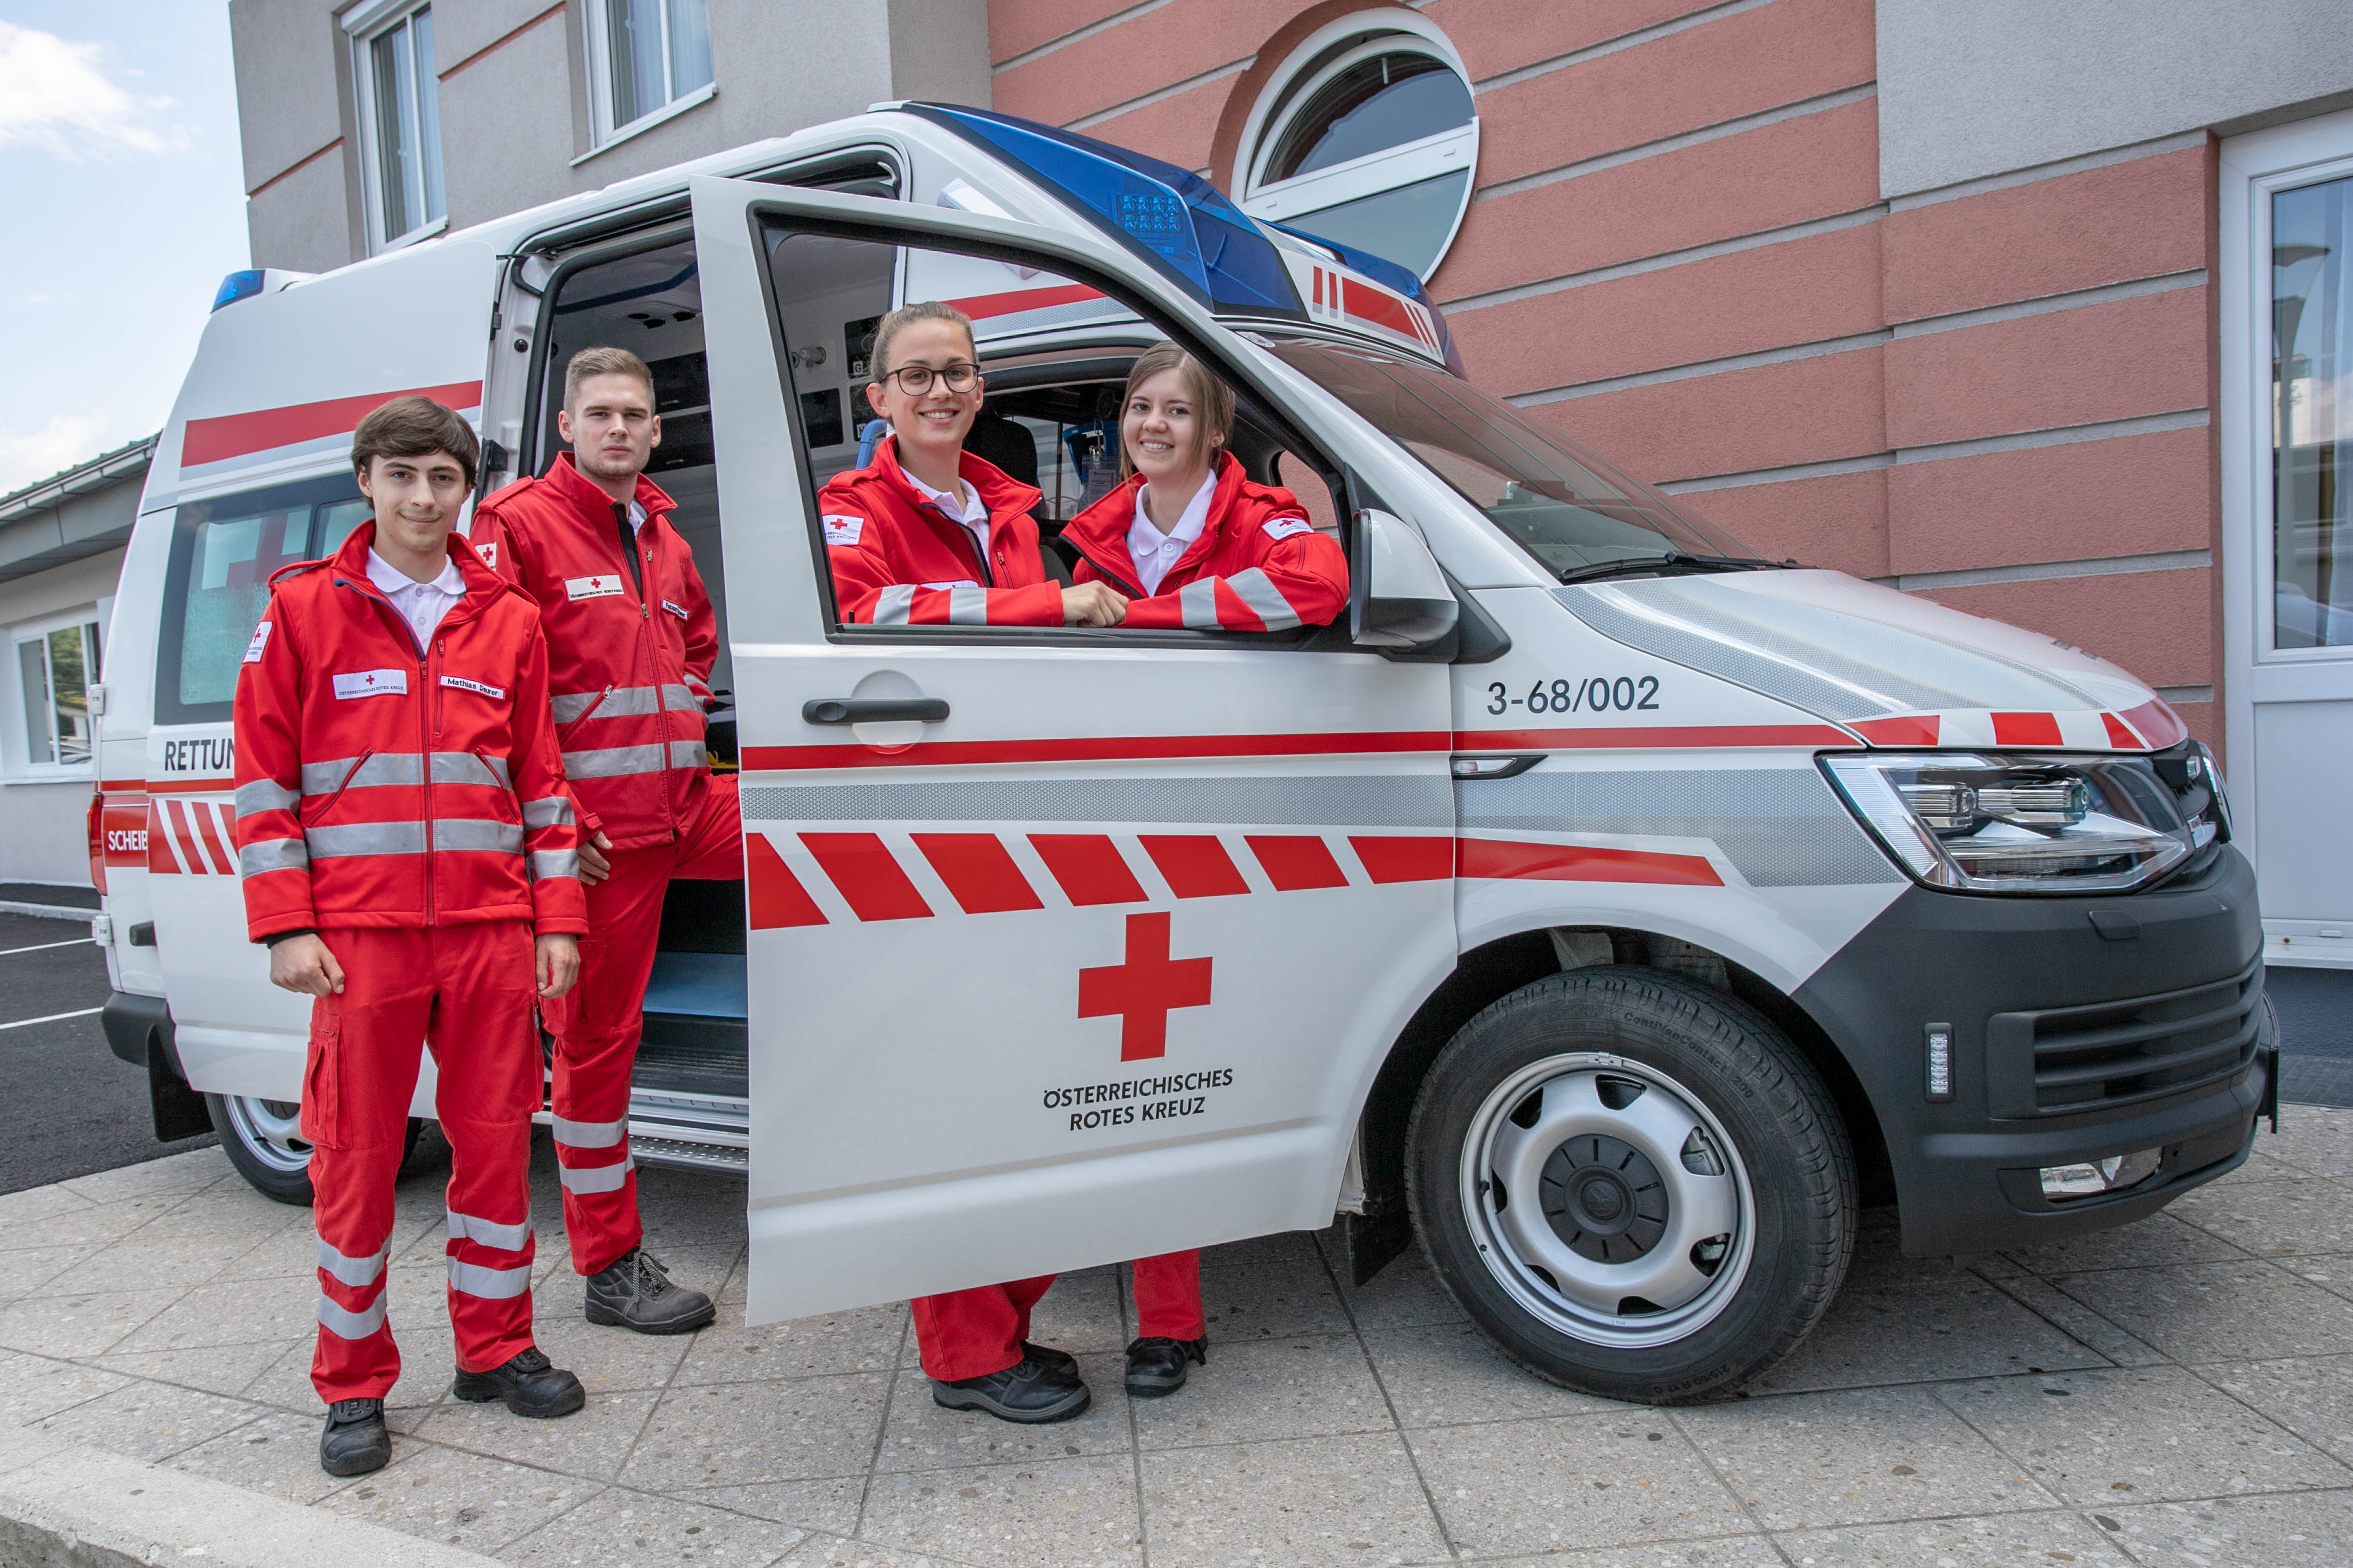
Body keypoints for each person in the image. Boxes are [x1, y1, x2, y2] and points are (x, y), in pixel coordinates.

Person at [232, 396, 589, 1477]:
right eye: (402, 477)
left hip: (487, 930)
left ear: (463, 487)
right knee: (357, 1161)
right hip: (361, 941)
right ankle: (351, 1382)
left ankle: (496, 1348)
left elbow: (542, 784)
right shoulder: (301, 610)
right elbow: (261, 781)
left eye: (442, 477)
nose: (423, 498)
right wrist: (285, 923)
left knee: (491, 1147)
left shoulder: (511, 618)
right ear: (366, 483)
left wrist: (558, 917)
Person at [466, 346, 730, 1335]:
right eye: (600, 413)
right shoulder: (518, 526)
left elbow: (693, 645)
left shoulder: (660, 535)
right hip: (597, 841)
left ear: (657, 430)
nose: (618, 427)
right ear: (567, 427)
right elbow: (488, 691)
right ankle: (610, 1266)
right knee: (594, 1050)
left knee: (829, 835)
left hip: (686, 804)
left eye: (635, 412)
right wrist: (555, 827)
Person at [818, 299, 1124, 628]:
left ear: (977, 393)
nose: (941, 391)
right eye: (917, 376)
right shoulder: (851, 507)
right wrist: (1046, 604)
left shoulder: (1015, 521)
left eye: (956, 373)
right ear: (881, 400)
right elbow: (855, 612)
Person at [1059, 340, 1348, 632]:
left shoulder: (1258, 522)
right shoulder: (1097, 551)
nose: (1153, 423)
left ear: (1216, 433)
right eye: (1141, 407)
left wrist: (1136, 617)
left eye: (1178, 411)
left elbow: (1321, 586)